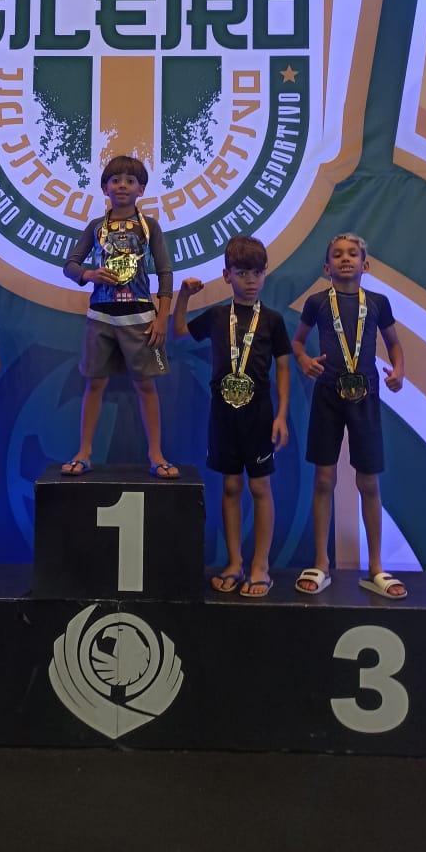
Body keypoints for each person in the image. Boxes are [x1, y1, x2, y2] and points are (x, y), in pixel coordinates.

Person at [173, 236, 291, 597]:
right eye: (242, 273)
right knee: (230, 486)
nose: (250, 280)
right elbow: (179, 332)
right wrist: (183, 297)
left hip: (259, 416)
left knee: (260, 487)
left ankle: (261, 566)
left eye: (257, 273)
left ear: (265, 273)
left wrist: (282, 416)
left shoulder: (272, 321)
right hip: (223, 416)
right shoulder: (216, 316)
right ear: (227, 276)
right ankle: (235, 562)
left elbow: (283, 368)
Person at [291, 232, 406, 599]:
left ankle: (376, 567)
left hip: (365, 396)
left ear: (364, 264)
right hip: (327, 394)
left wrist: (399, 371)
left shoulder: (378, 303)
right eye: (337, 255)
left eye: (352, 254)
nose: (345, 259)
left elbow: (394, 344)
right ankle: (321, 563)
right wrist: (304, 360)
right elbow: (297, 342)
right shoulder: (316, 303)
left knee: (368, 481)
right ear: (326, 268)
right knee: (324, 479)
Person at [61, 155, 177, 477]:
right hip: (100, 315)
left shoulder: (150, 226)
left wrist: (162, 318)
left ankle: (156, 454)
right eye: (115, 180)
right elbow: (70, 265)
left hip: (140, 316)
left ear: (141, 189)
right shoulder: (96, 227)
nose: (122, 185)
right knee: (95, 384)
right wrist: (89, 275)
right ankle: (84, 452)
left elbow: (165, 272)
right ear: (104, 188)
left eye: (130, 180)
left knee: (146, 385)